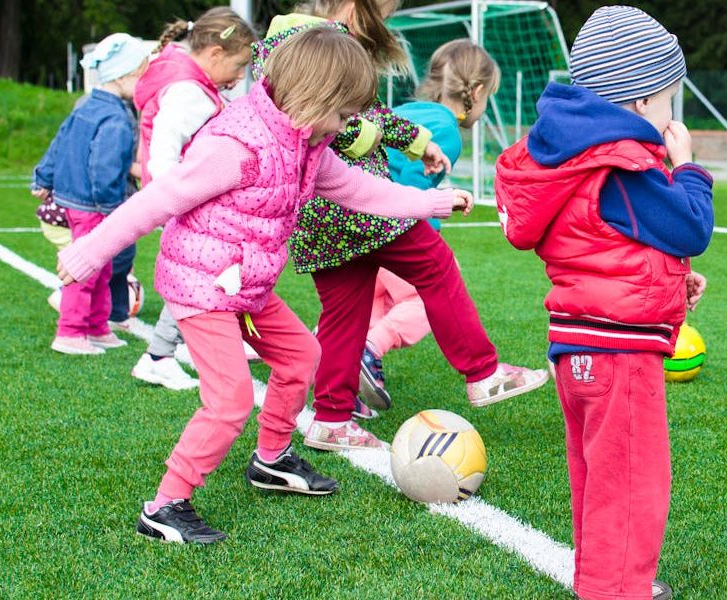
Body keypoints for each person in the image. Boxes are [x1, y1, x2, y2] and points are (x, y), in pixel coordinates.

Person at [55, 28, 473, 544]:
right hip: (202, 287)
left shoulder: (307, 143)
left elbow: (358, 190)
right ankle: (164, 506)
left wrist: (432, 201)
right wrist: (89, 252)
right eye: (344, 115)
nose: (347, 127)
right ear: (315, 98)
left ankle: (271, 459)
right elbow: (158, 200)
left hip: (246, 286)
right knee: (230, 400)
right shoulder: (235, 146)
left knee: (302, 356)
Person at [253, 0, 547, 453]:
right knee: (436, 265)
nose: (381, 23)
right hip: (357, 203)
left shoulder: (275, 49)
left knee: (344, 314)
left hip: (314, 213)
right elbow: (348, 120)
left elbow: (352, 115)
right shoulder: (326, 43)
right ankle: (482, 372)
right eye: (382, 13)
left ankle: (331, 418)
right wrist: (405, 143)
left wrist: (416, 142)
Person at [493, 6, 714, 600]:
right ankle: (615, 591)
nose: (671, 114)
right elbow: (691, 226)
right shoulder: (622, 165)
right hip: (620, 354)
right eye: (667, 98)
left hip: (576, 346)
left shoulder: (571, 156)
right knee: (633, 486)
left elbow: (603, 245)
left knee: (599, 480)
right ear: (639, 100)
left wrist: (671, 281)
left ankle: (604, 581)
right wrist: (688, 167)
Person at [359, 39, 502, 411]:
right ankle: (370, 349)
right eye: (489, 97)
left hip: (357, 224)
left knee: (371, 305)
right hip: (388, 228)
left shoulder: (407, 111)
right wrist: (431, 228)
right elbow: (409, 187)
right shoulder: (447, 132)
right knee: (429, 295)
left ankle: (342, 371)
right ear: (477, 92)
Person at [127, 7, 258, 391]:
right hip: (190, 205)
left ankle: (186, 347)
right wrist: (179, 198)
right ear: (215, 54)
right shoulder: (189, 93)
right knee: (200, 277)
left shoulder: (190, 83)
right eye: (238, 66)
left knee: (216, 273)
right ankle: (158, 356)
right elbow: (164, 153)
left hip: (191, 202)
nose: (240, 77)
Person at [32, 33, 150, 355]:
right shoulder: (116, 118)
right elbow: (104, 166)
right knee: (86, 268)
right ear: (123, 76)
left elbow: (59, 141)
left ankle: (97, 327)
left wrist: (44, 176)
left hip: (79, 200)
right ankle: (70, 332)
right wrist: (113, 208)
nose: (144, 83)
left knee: (102, 266)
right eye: (141, 75)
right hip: (94, 205)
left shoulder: (87, 105)